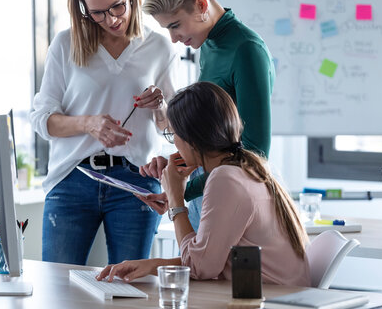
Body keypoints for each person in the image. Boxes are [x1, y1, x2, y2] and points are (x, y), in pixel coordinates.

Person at [30, 0, 177, 265]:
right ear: (83, 9)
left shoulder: (159, 47)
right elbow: (42, 120)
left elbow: (171, 131)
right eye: (97, 12)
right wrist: (88, 124)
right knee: (57, 288)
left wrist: (160, 105)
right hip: (72, 178)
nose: (111, 19)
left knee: (131, 290)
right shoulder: (65, 44)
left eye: (117, 6)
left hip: (136, 181)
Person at [97, 82, 310, 286]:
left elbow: (200, 267)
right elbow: (209, 259)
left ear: (192, 139)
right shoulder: (248, 168)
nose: (175, 144)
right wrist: (152, 265)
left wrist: (176, 199)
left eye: (173, 134)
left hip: (271, 299)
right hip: (275, 294)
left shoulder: (225, 179)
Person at [138, 0, 275, 228]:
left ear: (201, 5)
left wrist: (183, 192)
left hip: (231, 194)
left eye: (175, 25)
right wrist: (176, 164)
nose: (174, 39)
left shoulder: (247, 50)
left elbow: (254, 154)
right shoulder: (208, 44)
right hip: (211, 188)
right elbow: (218, 142)